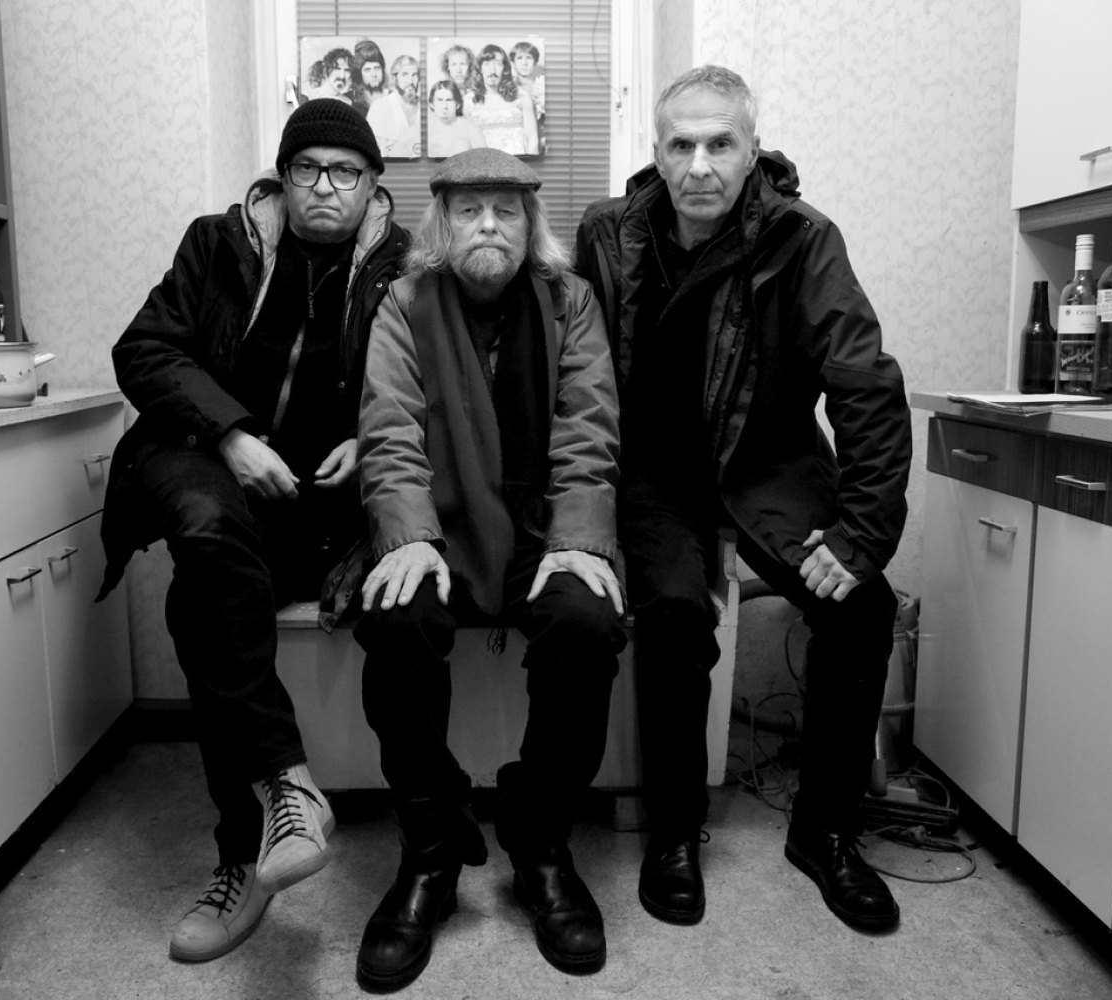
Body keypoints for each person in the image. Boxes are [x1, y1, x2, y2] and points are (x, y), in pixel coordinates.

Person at [575, 65, 913, 932]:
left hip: (769, 458)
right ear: (657, 152)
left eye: (720, 144)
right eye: (681, 145)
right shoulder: (607, 234)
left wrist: (862, 530)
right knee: (674, 611)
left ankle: (826, 830)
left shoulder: (804, 238)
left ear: (752, 150)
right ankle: (672, 832)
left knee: (862, 607)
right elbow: (575, 370)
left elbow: (865, 384)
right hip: (655, 468)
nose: (700, 165)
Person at [96, 100, 410, 962]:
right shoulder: (218, 244)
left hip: (318, 501)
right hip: (202, 457)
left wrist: (371, 437)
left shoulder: (401, 267)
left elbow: (422, 380)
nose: (324, 187)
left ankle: (249, 846)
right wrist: (231, 435)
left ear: (373, 186)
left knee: (200, 603)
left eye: (345, 172)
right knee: (205, 527)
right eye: (306, 168)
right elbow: (145, 350)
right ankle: (281, 794)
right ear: (281, 177)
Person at [352, 147, 625, 991]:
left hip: (545, 530)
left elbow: (588, 426)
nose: (488, 227)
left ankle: (540, 843)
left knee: (587, 621)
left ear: (529, 223)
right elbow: (389, 429)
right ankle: (431, 850)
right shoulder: (405, 302)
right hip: (443, 528)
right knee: (394, 618)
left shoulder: (570, 300)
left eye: (506, 211)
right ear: (442, 223)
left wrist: (579, 538)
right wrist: (409, 537)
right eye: (470, 211)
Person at [465, 44, 538, 156]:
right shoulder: (469, 101)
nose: (493, 70)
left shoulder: (522, 97)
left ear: (505, 69)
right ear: (480, 68)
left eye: (498, 64)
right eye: (487, 64)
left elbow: (532, 138)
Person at [366, 54, 421, 159]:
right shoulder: (379, 107)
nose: (410, 81)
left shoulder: (427, 107)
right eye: (404, 74)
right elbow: (371, 151)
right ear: (395, 78)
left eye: (414, 75)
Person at [425, 80, 486, 158]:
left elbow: (484, 159)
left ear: (458, 104)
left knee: (460, 143)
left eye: (449, 100)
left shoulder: (471, 128)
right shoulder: (424, 130)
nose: (444, 106)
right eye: (440, 100)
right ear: (431, 104)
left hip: (463, 165)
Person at [350, 39, 387, 117]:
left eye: (377, 68)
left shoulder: (393, 97)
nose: (374, 74)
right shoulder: (353, 102)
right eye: (367, 70)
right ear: (359, 74)